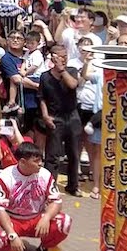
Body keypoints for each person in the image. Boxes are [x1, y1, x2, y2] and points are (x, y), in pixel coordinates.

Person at [0, 141, 71, 251]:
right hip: (13, 220)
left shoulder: (45, 174)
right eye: (36, 161)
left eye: (41, 159)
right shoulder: (6, 177)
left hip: (37, 219)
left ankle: (44, 250)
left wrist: (46, 217)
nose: (40, 164)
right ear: (23, 162)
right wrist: (12, 234)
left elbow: (56, 202)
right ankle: (11, 246)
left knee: (64, 222)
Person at [38, 45, 82, 195]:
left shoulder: (71, 71)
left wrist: (62, 70)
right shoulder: (45, 77)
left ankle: (73, 186)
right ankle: (50, 186)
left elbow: (73, 85)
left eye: (65, 56)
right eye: (59, 56)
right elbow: (42, 98)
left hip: (72, 116)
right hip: (55, 117)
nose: (63, 59)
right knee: (52, 155)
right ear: (52, 57)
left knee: (74, 154)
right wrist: (45, 115)